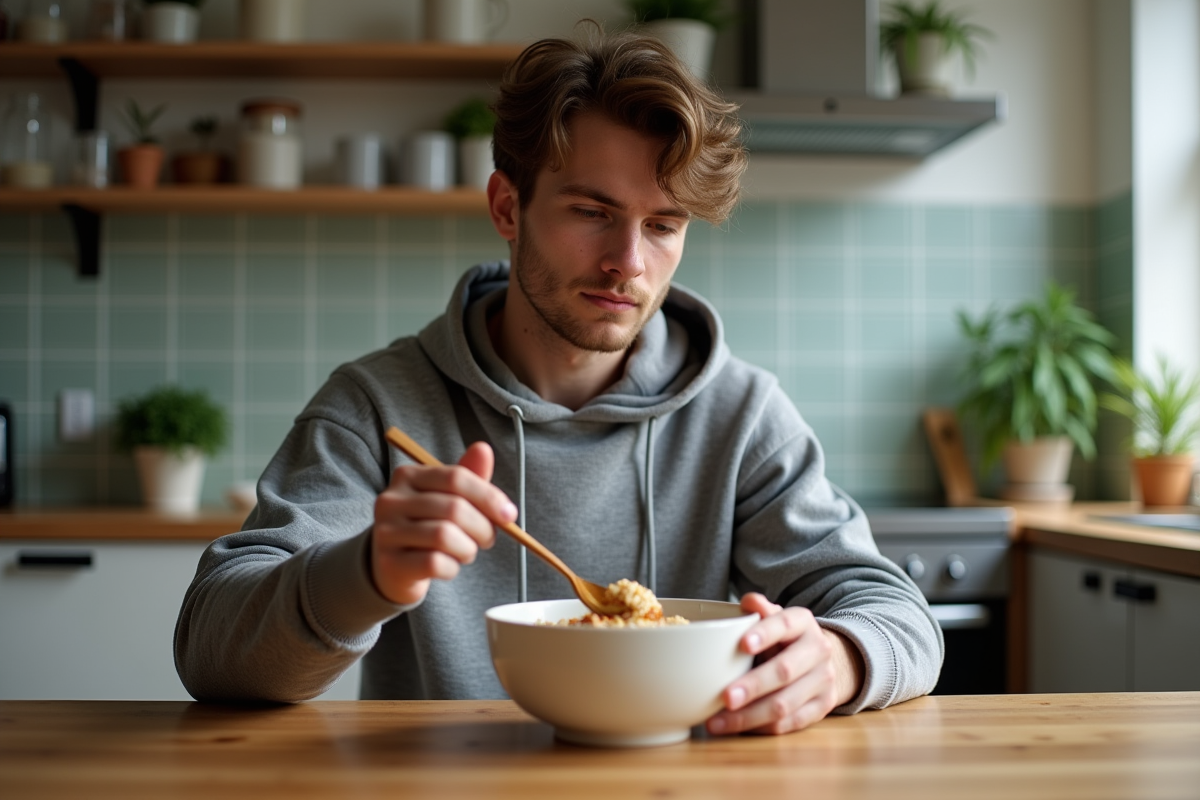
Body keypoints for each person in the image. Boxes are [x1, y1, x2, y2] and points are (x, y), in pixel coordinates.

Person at [175, 28, 942, 736]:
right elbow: (211, 652)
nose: (629, 263)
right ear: (508, 207)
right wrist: (367, 572)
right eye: (591, 211)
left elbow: (898, 616)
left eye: (664, 225)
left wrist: (842, 658)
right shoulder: (378, 406)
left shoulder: (741, 416)